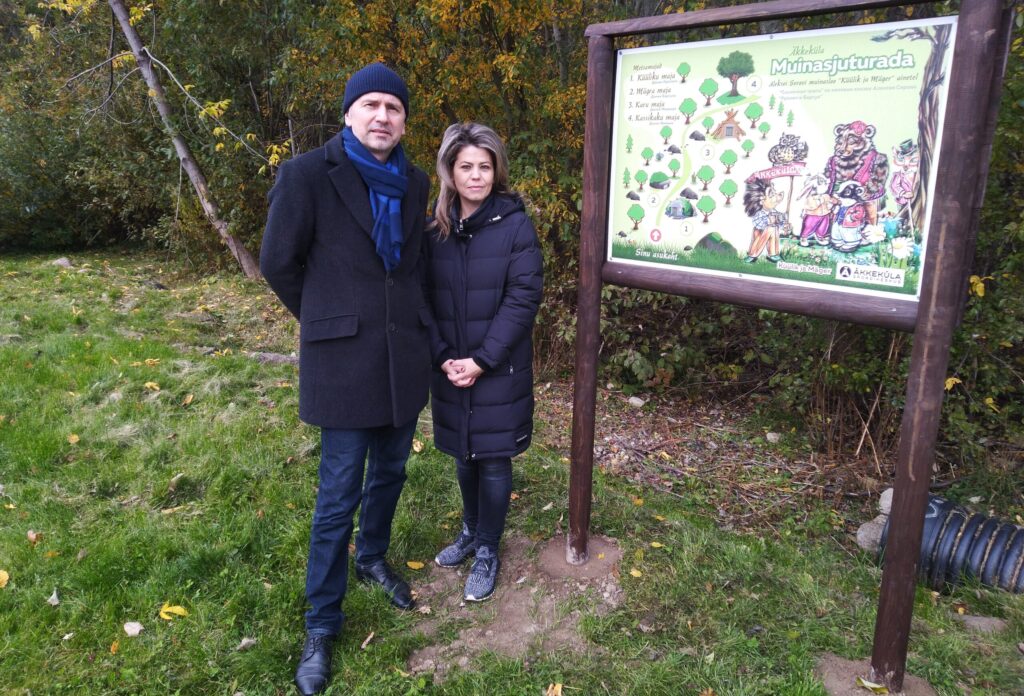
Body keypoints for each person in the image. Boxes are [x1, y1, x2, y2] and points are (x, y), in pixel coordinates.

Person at [259, 62, 432, 696]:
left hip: (403, 358)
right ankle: (321, 623)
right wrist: (325, 318)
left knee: (391, 471)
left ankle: (373, 558)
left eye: (394, 107)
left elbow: (413, 267)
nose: (383, 116)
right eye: (372, 105)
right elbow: (278, 262)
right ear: (349, 113)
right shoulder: (307, 174)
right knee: (337, 496)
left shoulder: (416, 182)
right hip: (343, 362)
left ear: (404, 120)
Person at [424, 123, 543, 602]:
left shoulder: (514, 225)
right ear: (450, 172)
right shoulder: (434, 229)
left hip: (498, 366)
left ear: (497, 171)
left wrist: (482, 360)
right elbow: (420, 299)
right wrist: (442, 357)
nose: (476, 176)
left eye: (485, 167)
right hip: (450, 365)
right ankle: (470, 531)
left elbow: (523, 298)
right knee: (464, 452)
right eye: (466, 167)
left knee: (493, 457)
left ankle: (488, 549)